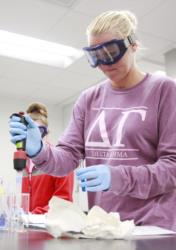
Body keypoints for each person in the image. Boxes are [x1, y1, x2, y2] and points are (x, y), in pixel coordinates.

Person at [9, 10, 176, 230]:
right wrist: (39, 150)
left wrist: (118, 177)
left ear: (133, 45)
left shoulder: (164, 90)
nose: (103, 63)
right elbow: (66, 159)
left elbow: (172, 168)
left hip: (153, 227)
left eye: (111, 52)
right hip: (104, 226)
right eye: (95, 55)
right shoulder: (89, 99)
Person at [21, 102, 74, 214]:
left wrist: (33, 215)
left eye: (38, 131)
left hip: (51, 227)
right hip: (29, 226)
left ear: (46, 132)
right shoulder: (24, 164)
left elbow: (63, 202)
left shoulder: (60, 160)